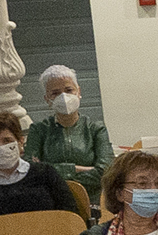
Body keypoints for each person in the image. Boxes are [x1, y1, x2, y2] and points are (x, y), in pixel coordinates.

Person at [0, 108, 75, 222]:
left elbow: (70, 216)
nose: (0, 148)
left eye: (7, 140)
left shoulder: (45, 174)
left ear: (20, 141)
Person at [22, 65, 112, 195]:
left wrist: (52, 173)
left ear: (79, 92)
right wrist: (77, 169)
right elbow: (31, 170)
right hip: (52, 200)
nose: (63, 97)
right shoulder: (39, 130)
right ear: (47, 99)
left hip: (92, 200)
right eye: (55, 93)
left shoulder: (96, 129)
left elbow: (106, 172)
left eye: (69, 90)